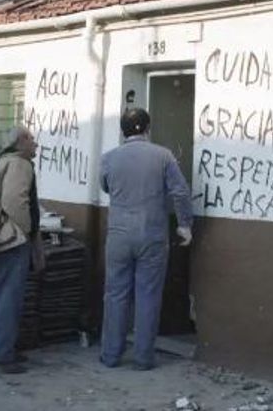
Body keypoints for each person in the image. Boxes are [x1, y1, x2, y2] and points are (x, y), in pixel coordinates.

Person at [99, 108, 193, 371]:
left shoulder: (109, 158)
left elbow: (105, 186)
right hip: (152, 233)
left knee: (116, 294)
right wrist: (185, 225)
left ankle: (111, 355)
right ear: (148, 129)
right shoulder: (163, 156)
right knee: (148, 295)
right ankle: (143, 358)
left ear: (122, 131)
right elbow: (181, 191)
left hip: (118, 234)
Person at [0, 126, 40, 374]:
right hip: (13, 241)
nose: (35, 144)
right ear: (21, 141)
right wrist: (25, 231)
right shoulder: (21, 164)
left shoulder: (2, 163)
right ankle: (1, 354)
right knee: (9, 300)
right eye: (32, 139)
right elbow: (15, 201)